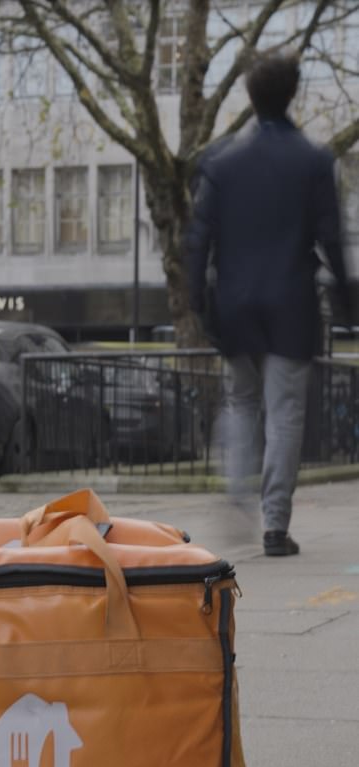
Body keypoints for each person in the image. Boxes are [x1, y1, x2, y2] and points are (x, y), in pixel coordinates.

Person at [187, 50, 352, 557]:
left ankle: (237, 491)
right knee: (285, 413)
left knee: (239, 401)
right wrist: (347, 300)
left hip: (234, 305)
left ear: (251, 97)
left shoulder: (221, 164)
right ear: (292, 94)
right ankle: (275, 525)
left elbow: (198, 241)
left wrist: (198, 302)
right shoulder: (314, 162)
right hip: (290, 304)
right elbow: (332, 239)